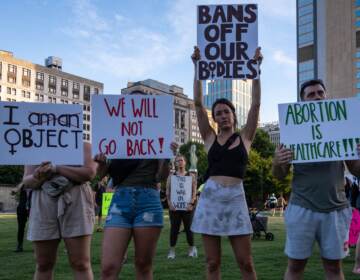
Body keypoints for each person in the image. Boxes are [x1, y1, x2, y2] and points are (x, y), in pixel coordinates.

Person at [272, 79, 360, 280]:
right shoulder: (292, 133)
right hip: (302, 208)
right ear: (302, 102)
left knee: (333, 268)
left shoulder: (342, 129)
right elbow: (279, 175)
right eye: (310, 94)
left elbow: (355, 170)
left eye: (320, 92)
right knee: (295, 267)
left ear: (326, 96)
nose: (317, 96)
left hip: (336, 209)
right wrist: (278, 162)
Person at [190, 46, 262, 280]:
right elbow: (199, 105)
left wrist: (257, 71)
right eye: (218, 113)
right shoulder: (210, 138)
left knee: (246, 263)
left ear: (233, 115)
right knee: (212, 263)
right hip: (211, 199)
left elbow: (255, 105)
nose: (222, 116)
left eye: (226, 112)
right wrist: (197, 68)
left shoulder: (246, 137)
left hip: (235, 198)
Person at [94, 89, 177, 280]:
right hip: (120, 202)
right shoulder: (115, 136)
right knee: (108, 267)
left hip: (148, 200)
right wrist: (100, 161)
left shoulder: (157, 138)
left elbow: (161, 177)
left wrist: (167, 158)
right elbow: (100, 175)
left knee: (143, 265)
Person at [23, 142, 97, 280]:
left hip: (76, 197)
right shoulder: (36, 144)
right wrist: (38, 175)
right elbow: (27, 181)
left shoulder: (82, 144)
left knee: (81, 263)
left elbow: (89, 172)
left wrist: (57, 168)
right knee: (43, 263)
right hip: (43, 199)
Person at [166, 155, 197, 259]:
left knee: (189, 229)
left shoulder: (191, 176)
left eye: (182, 160)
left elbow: (194, 192)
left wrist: (191, 204)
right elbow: (168, 192)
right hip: (174, 208)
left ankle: (191, 249)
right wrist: (170, 204)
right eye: (178, 160)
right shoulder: (171, 176)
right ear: (175, 163)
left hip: (188, 208)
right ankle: (172, 251)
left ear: (185, 162)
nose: (180, 162)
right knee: (174, 229)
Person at [11, 183, 32, 252]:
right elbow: (13, 192)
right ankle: (19, 246)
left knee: (35, 227)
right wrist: (22, 183)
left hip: (33, 209)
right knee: (21, 227)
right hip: (22, 208)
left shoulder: (36, 184)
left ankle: (38, 246)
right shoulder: (22, 185)